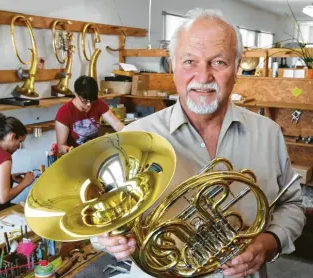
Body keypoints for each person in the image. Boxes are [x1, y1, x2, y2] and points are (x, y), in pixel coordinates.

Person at [92, 8, 305, 278]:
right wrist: (106, 239)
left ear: (238, 67)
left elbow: (292, 206)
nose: (203, 77)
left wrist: (268, 244)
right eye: (190, 61)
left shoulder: (269, 133)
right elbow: (102, 219)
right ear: (172, 66)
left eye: (218, 62)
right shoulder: (134, 137)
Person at [55, 75, 125, 154]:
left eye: (92, 101)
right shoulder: (64, 112)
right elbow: (61, 146)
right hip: (75, 156)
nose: (89, 105)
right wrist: (71, 151)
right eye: (84, 101)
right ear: (76, 94)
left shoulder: (98, 103)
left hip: (95, 152)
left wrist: (129, 135)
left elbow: (116, 124)